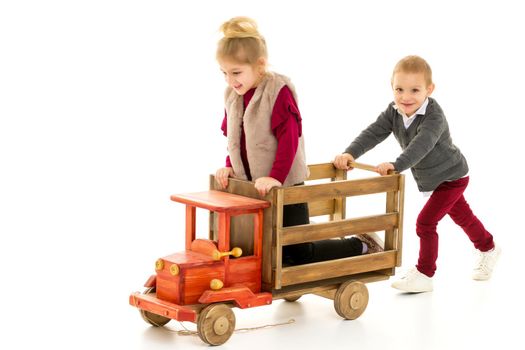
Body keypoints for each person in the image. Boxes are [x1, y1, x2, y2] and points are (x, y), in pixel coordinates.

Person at [214, 16, 382, 265]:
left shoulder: (277, 91)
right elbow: (235, 137)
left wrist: (276, 177)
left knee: (301, 252)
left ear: (260, 65)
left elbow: (289, 139)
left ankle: (361, 244)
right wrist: (229, 164)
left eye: (236, 72)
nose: (230, 80)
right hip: (254, 188)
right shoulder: (233, 95)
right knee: (267, 248)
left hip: (286, 185)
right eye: (224, 73)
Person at [333, 55, 500, 292]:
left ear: (429, 90)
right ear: (392, 88)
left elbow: (422, 145)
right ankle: (488, 248)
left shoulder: (434, 116)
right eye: (399, 89)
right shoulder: (394, 111)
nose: (405, 97)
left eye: (414, 90)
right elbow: (373, 132)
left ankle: (425, 273)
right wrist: (350, 153)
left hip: (452, 177)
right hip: (434, 179)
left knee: (425, 222)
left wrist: (396, 164)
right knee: (463, 217)